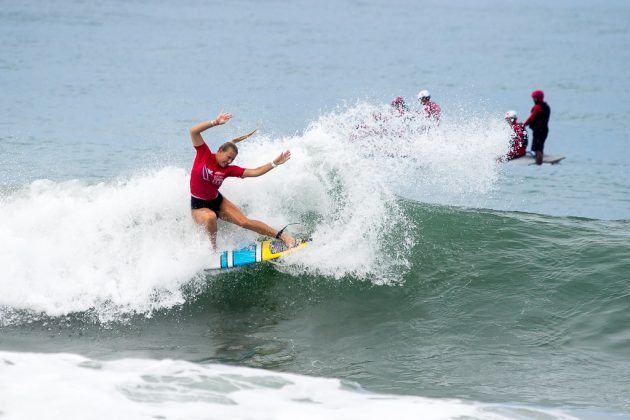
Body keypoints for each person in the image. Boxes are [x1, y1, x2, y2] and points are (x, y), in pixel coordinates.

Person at [189, 111, 296, 250]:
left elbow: (255, 172)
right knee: (209, 217)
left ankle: (283, 236)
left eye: (232, 160)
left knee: (245, 222)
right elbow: (193, 131)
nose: (229, 161)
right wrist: (215, 122)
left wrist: (274, 163)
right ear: (220, 150)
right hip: (198, 206)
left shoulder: (228, 169)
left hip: (217, 201)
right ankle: (214, 250)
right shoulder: (204, 154)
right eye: (228, 157)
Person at [522, 90, 551, 165]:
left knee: (537, 148)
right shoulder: (546, 106)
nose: (534, 100)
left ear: (539, 98)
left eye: (535, 98)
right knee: (540, 147)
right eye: (533, 98)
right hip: (544, 130)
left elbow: (531, 118)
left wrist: (523, 125)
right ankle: (540, 161)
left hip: (538, 131)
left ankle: (538, 164)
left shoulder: (537, 107)